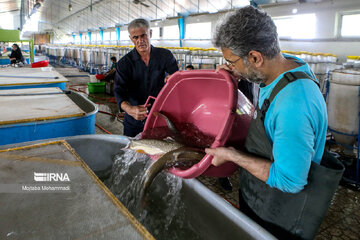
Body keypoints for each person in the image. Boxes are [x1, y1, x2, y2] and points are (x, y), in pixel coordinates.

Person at [206, 6, 343, 240]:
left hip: (281, 215)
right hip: (262, 198)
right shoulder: (287, 66)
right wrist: (240, 73)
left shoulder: (293, 106)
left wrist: (231, 155)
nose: (229, 65)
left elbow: (290, 181)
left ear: (256, 57)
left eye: (232, 61)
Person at [114, 18, 179, 137]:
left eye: (143, 35)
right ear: (131, 39)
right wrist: (129, 109)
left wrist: (172, 78)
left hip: (161, 117)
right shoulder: (124, 64)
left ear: (150, 33)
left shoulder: (165, 55)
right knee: (133, 152)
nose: (140, 40)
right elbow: (119, 91)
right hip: (134, 120)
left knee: (159, 152)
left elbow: (176, 78)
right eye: (135, 37)